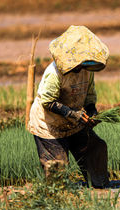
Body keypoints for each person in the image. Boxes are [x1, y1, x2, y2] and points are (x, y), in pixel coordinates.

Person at [29, 25, 110, 188]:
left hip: (74, 122)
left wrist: (92, 112)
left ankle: (99, 187)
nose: (82, 67)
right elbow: (48, 101)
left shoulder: (87, 71)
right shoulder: (55, 73)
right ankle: (56, 197)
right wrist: (73, 114)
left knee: (96, 149)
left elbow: (89, 96)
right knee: (58, 169)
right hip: (49, 125)